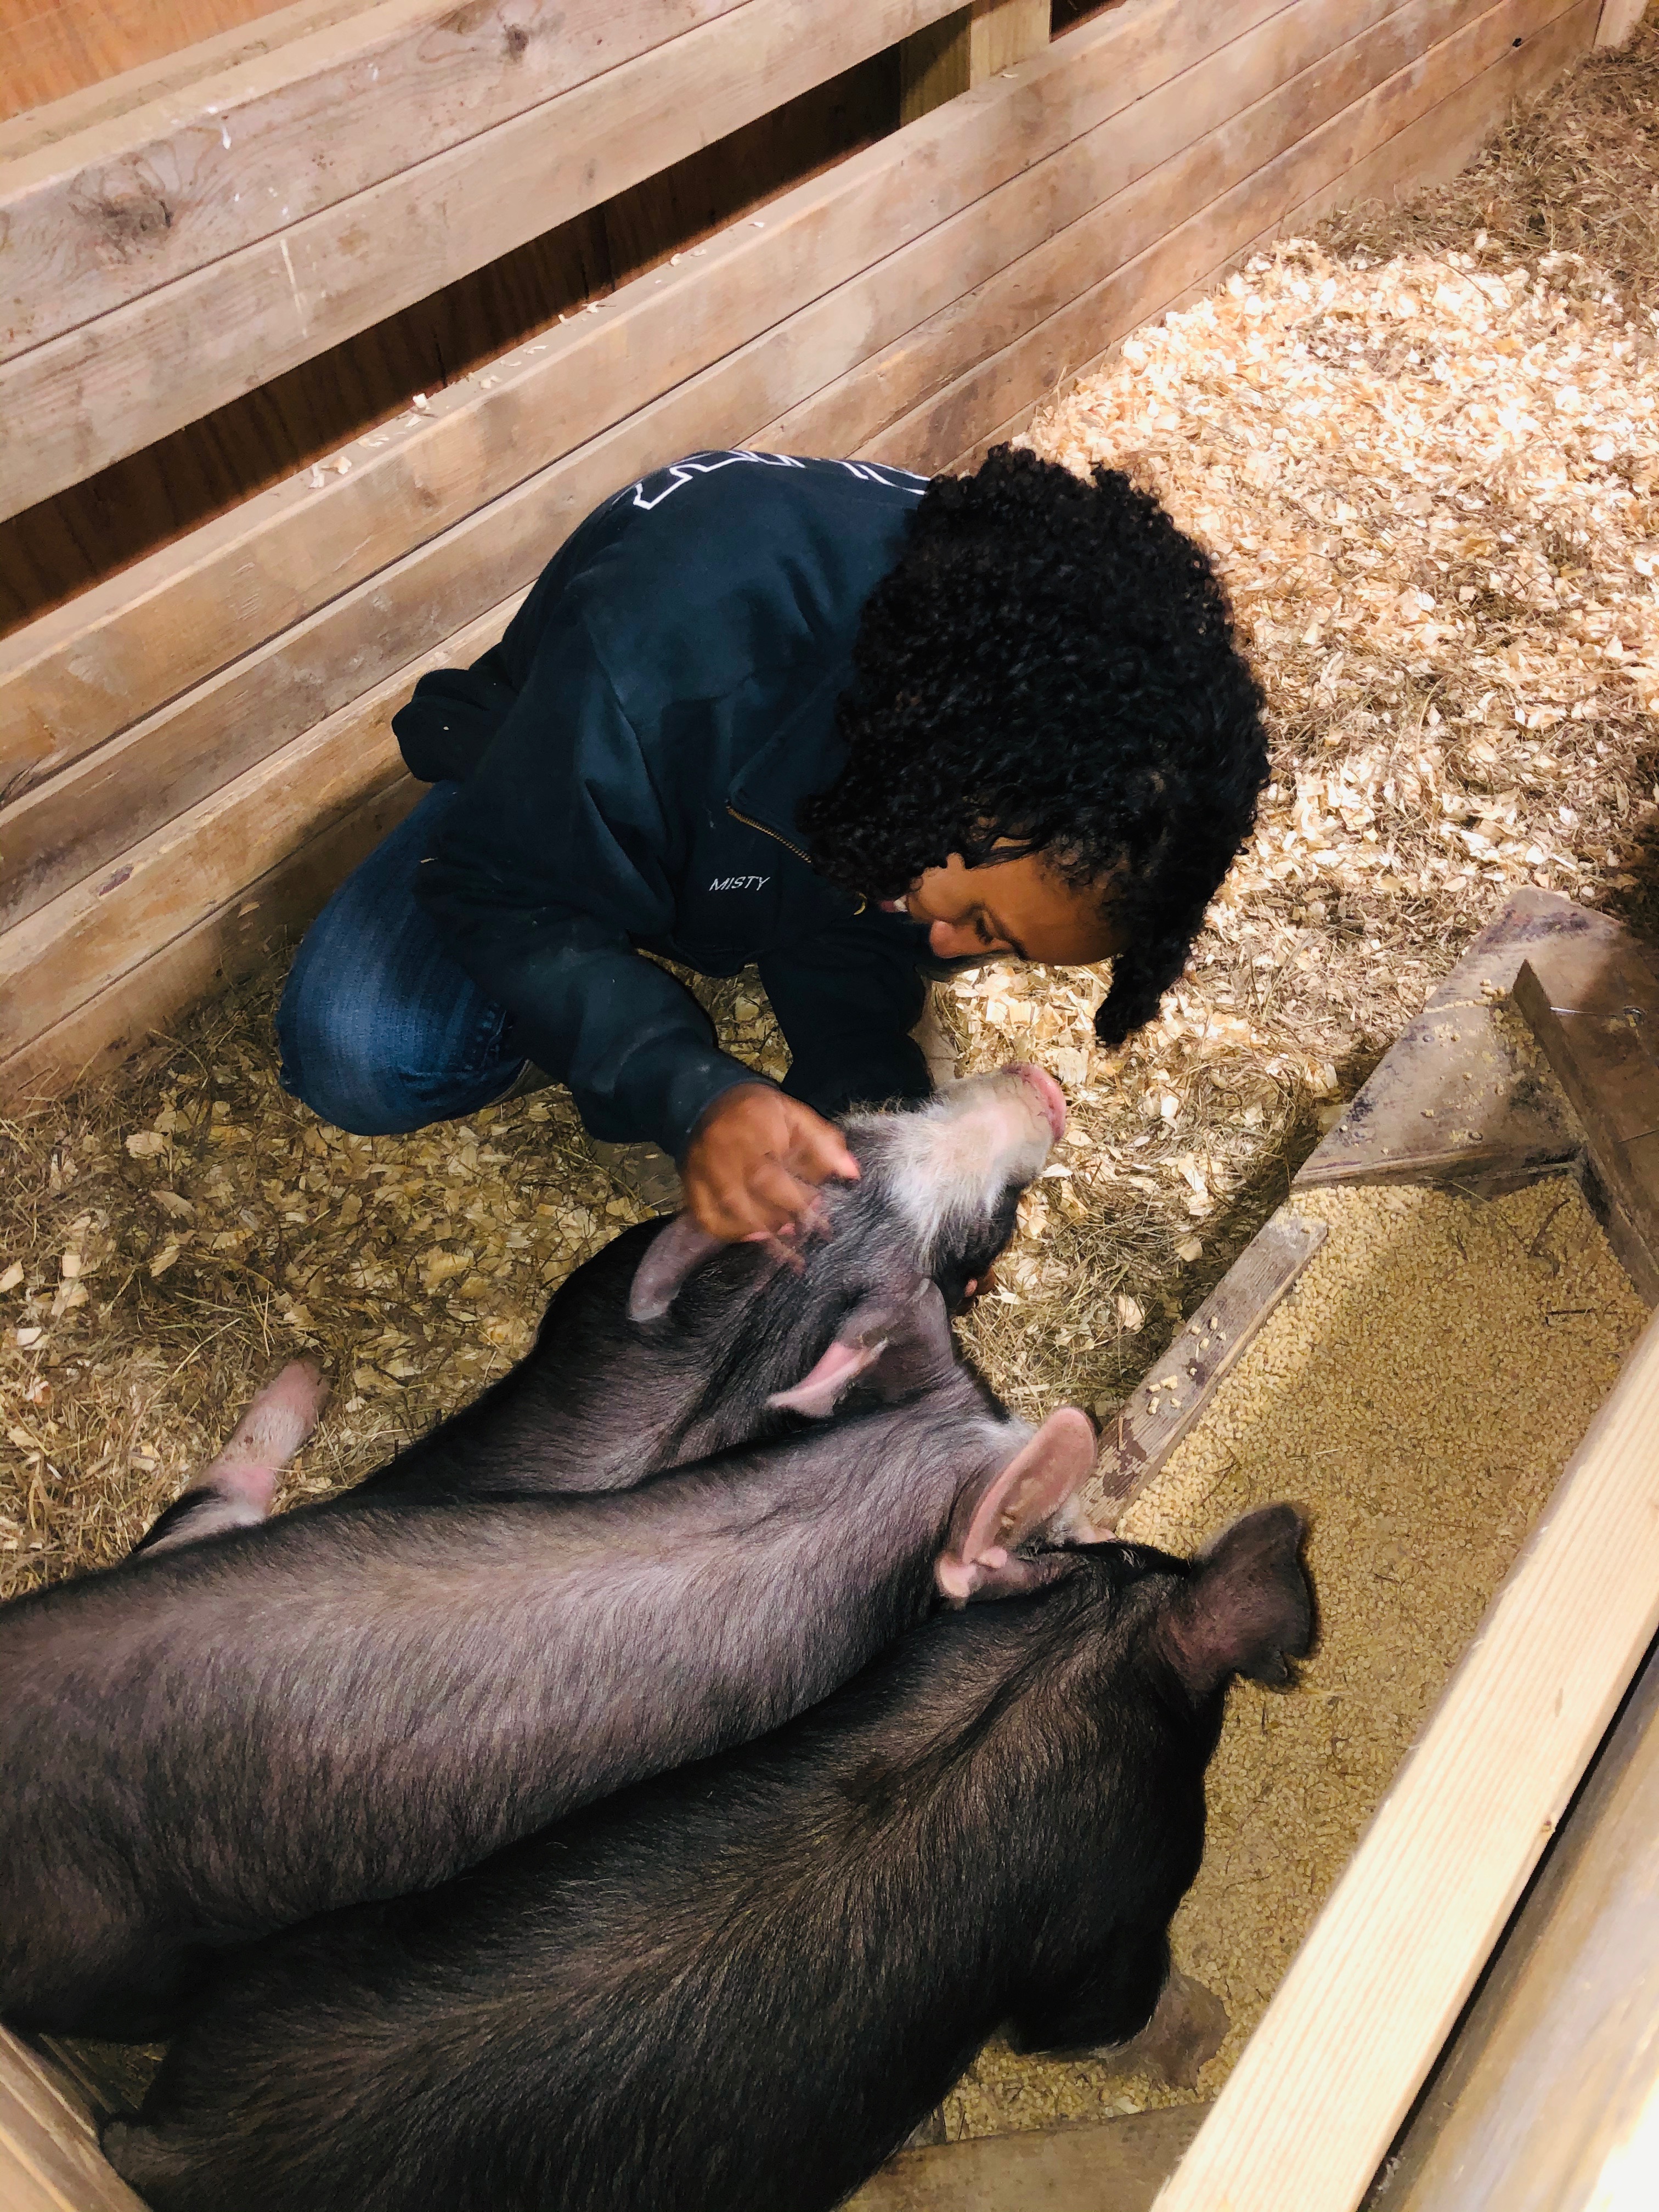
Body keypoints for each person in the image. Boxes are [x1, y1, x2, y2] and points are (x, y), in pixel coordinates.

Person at [278, 444, 1268, 1244]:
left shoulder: (980, 715)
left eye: (997, 944)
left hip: (786, 816)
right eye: (981, 921)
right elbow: (505, 891)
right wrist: (685, 1091)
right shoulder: (676, 658)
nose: (955, 949)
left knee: (913, 910)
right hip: (561, 780)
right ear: (975, 776)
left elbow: (850, 898)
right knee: (362, 1052)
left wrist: (861, 1106)